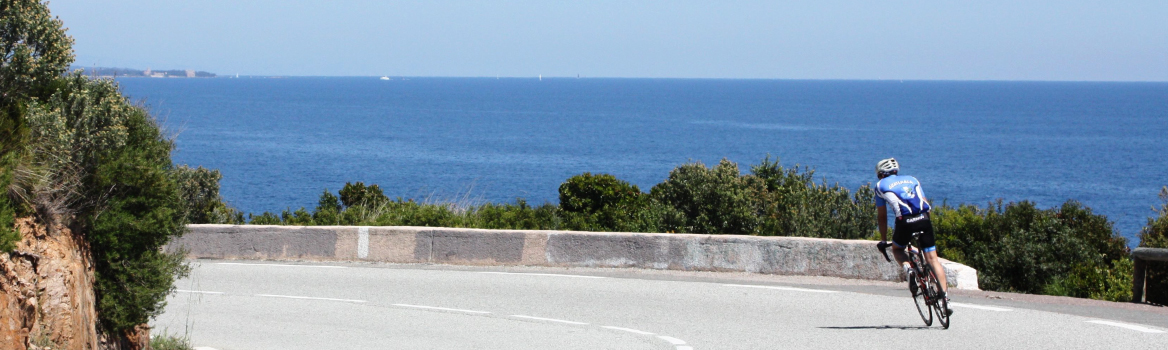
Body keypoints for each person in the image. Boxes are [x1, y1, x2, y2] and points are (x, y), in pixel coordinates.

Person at [874, 158, 952, 315]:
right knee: (933, 259)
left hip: (905, 222)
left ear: (881, 174)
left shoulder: (880, 186)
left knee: (897, 249)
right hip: (923, 219)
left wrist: (883, 240)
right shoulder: (912, 179)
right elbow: (925, 203)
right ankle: (945, 300)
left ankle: (908, 268)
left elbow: (882, 217)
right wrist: (925, 225)